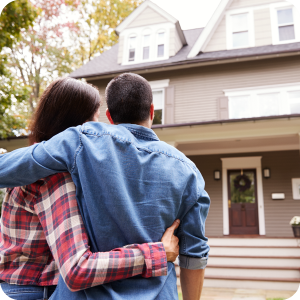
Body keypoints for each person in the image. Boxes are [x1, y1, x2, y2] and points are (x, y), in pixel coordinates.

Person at [0, 73, 210, 300]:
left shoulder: (80, 143)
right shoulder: (189, 172)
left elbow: (6, 169)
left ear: (109, 116)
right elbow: (194, 254)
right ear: (151, 111)